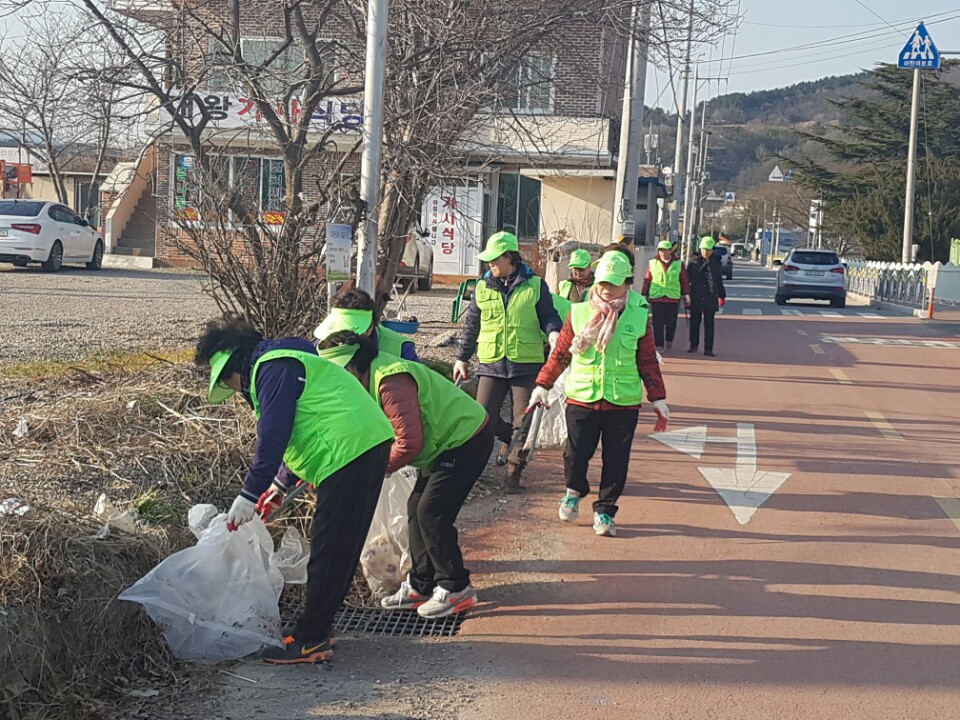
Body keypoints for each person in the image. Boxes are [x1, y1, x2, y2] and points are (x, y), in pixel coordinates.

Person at [195, 316, 394, 664]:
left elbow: (273, 436)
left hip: (349, 451)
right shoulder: (287, 364)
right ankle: (319, 629)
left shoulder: (271, 368)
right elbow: (305, 429)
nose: (235, 390)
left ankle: (310, 639)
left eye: (229, 380)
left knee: (330, 547)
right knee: (340, 546)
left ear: (235, 364)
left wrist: (248, 494)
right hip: (363, 444)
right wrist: (276, 485)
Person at [317, 331, 494, 618]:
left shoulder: (389, 380)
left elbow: (409, 442)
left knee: (431, 512)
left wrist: (375, 470)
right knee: (415, 507)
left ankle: (456, 587)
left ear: (353, 365)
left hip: (466, 438)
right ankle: (420, 584)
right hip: (443, 443)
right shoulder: (366, 381)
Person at [531, 251, 669, 537]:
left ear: (627, 284)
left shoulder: (639, 315)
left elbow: (646, 360)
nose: (606, 289)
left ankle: (605, 511)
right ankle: (573, 491)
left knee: (616, 461)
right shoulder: (579, 312)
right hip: (582, 396)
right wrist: (542, 385)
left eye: (613, 283)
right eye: (602, 282)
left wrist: (658, 398)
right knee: (575, 453)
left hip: (623, 401)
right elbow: (560, 355)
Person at [454, 231, 562, 493]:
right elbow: (472, 325)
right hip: (491, 362)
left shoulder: (535, 285)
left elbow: (548, 315)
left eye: (494, 260)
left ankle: (513, 472)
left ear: (509, 257)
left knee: (522, 421)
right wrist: (461, 358)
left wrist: (554, 332)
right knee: (482, 419)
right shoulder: (482, 287)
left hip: (525, 362)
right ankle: (507, 439)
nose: (490, 265)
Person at [314, 288, 420, 361]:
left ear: (371, 327)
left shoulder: (399, 349)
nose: (342, 340)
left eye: (351, 332)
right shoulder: (320, 345)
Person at [642, 240, 691, 352]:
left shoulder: (678, 263)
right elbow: (647, 280)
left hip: (672, 298)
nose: (663, 253)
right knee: (657, 322)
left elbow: (684, 280)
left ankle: (669, 339)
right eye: (661, 250)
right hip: (657, 297)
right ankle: (659, 345)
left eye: (665, 250)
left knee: (671, 323)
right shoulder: (652, 263)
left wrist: (687, 294)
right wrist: (644, 294)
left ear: (670, 251)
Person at [686, 235, 727, 357]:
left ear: (713, 250)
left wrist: (722, 295)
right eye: (703, 249)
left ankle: (708, 348)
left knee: (709, 323)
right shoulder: (693, 262)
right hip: (696, 295)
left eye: (708, 250)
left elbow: (718, 280)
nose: (705, 252)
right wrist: (686, 294)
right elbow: (687, 279)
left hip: (710, 296)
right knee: (694, 322)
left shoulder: (716, 262)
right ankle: (693, 345)